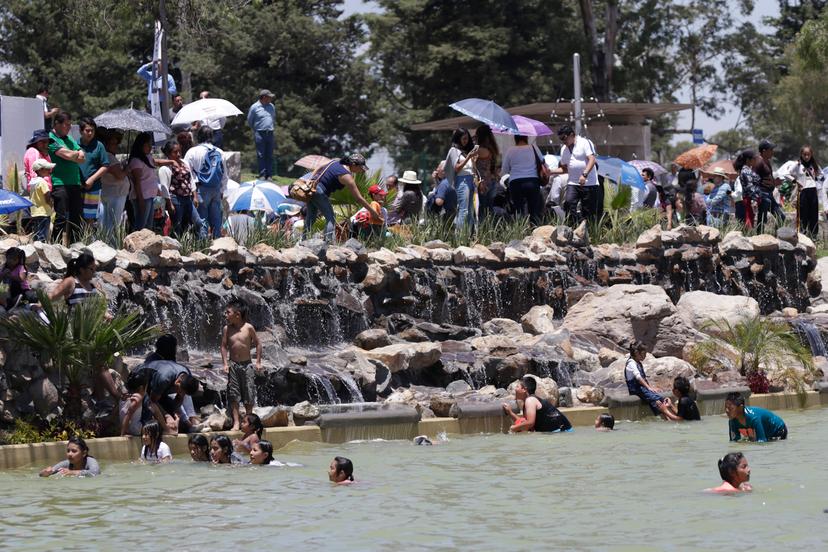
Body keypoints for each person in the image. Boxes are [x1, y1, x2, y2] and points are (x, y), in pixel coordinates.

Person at [303, 153, 381, 242]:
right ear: (353, 165)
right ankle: (327, 243)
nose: (361, 171)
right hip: (320, 192)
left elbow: (319, 166)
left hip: (312, 189)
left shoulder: (335, 161)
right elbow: (359, 198)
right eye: (360, 168)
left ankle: (303, 239)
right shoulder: (347, 176)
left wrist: (311, 179)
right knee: (331, 218)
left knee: (311, 216)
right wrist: (372, 211)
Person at [221, 300, 262, 431]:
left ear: (237, 314)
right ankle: (237, 422)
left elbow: (258, 343)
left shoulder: (248, 328)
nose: (225, 314)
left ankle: (249, 422)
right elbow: (223, 346)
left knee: (248, 393)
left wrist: (258, 362)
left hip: (247, 365)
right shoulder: (227, 329)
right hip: (233, 365)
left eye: (228, 312)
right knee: (234, 394)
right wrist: (225, 363)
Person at [49, 111, 86, 242]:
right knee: (61, 218)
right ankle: (56, 247)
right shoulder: (51, 138)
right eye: (66, 125)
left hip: (74, 182)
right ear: (57, 124)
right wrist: (75, 154)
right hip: (60, 183)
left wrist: (75, 154)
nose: (69, 127)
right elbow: (70, 155)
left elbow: (82, 157)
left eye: (70, 125)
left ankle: (76, 246)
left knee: (77, 217)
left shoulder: (68, 138)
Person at [184, 126, 227, 239]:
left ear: (198, 137)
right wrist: (222, 190)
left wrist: (193, 193)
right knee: (216, 220)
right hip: (216, 189)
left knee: (202, 219)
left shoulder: (192, 152)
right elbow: (224, 174)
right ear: (211, 137)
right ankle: (217, 244)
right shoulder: (220, 152)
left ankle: (203, 246)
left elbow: (188, 174)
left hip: (200, 190)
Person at [135, 359, 200, 431]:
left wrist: (175, 412)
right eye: (180, 391)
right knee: (151, 412)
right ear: (178, 381)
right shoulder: (164, 378)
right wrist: (167, 416)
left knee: (172, 415)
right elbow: (153, 401)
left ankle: (187, 425)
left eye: (183, 393)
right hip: (139, 383)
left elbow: (177, 402)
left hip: (159, 390)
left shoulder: (187, 375)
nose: (181, 394)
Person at [552, 125, 598, 225]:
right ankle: (574, 226)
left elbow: (592, 159)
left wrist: (584, 174)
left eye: (564, 138)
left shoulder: (584, 142)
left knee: (588, 210)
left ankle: (588, 231)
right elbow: (565, 168)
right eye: (560, 139)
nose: (563, 141)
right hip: (573, 182)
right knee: (568, 203)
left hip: (588, 182)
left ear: (572, 135)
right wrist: (551, 171)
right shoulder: (564, 149)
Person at [501, 135, 548, 225]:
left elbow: (505, 170)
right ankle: (534, 231)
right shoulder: (534, 148)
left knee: (519, 211)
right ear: (526, 138)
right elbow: (543, 163)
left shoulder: (510, 150)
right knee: (534, 211)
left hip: (516, 183)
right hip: (532, 182)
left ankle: (520, 233)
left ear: (515, 138)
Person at [501, 376, 572, 433]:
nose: (515, 389)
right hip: (559, 431)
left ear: (524, 390)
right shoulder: (529, 401)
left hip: (562, 432)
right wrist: (510, 413)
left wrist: (513, 428)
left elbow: (530, 423)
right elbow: (526, 423)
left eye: (517, 387)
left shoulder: (530, 400)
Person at [624, 340, 673, 418]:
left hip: (641, 389)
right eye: (644, 354)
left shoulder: (638, 362)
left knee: (658, 399)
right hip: (636, 390)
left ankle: (666, 417)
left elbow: (643, 378)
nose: (645, 356)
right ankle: (669, 417)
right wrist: (649, 388)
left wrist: (651, 388)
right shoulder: (631, 363)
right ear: (636, 353)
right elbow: (638, 377)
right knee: (658, 400)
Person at [443, 128, 479, 231]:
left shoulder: (466, 151)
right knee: (463, 210)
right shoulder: (454, 150)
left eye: (467, 139)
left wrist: (473, 160)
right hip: (462, 180)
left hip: (471, 179)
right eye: (463, 139)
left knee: (470, 210)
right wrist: (468, 157)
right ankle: (460, 236)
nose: (465, 141)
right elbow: (457, 168)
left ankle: (468, 234)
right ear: (458, 138)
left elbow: (472, 168)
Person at [77, 117, 110, 225]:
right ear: (81, 131)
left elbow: (105, 165)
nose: (90, 133)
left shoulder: (99, 146)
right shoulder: (74, 144)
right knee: (77, 216)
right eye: (87, 130)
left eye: (92, 130)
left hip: (93, 188)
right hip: (77, 187)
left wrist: (92, 179)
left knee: (90, 218)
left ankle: (88, 240)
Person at [159, 140, 196, 236]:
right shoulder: (165, 168)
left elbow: (191, 179)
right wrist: (169, 203)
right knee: (177, 226)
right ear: (168, 154)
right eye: (175, 152)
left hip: (188, 198)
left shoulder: (184, 162)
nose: (178, 154)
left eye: (179, 151)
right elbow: (164, 188)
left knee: (196, 222)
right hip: (176, 199)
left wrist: (195, 196)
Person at [786, 146, 825, 237]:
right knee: (803, 215)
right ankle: (802, 235)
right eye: (804, 154)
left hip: (813, 191)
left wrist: (817, 181)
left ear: (811, 155)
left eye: (808, 154)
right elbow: (787, 174)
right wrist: (795, 181)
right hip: (803, 192)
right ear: (801, 154)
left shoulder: (814, 165)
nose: (806, 157)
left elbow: (822, 175)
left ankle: (813, 236)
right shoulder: (797, 165)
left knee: (813, 215)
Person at [98, 132, 131, 239]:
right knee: (113, 222)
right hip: (115, 194)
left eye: (116, 143)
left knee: (107, 222)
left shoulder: (107, 156)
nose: (116, 146)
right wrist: (127, 168)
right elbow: (120, 175)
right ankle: (111, 245)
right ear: (107, 144)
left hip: (111, 193)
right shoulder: (109, 156)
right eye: (113, 143)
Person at [129, 133, 160, 231]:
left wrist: (171, 162)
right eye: (148, 144)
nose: (150, 147)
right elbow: (137, 182)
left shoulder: (147, 158)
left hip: (149, 196)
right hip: (142, 197)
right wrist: (140, 199)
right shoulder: (136, 161)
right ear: (141, 145)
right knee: (141, 225)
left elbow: (157, 162)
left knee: (149, 226)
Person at [754, 139, 784, 232]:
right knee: (762, 219)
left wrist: (775, 183)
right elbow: (753, 179)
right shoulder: (758, 162)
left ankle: (777, 236)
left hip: (769, 194)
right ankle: (759, 240)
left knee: (781, 216)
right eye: (771, 149)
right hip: (762, 194)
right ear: (764, 151)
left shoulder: (767, 161)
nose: (772, 152)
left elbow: (767, 179)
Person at [247, 89, 276, 179]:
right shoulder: (254, 107)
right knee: (261, 155)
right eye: (269, 97)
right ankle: (262, 174)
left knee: (270, 155)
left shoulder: (271, 106)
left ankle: (269, 175)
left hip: (270, 133)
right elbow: (250, 121)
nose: (271, 99)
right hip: (259, 133)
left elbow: (273, 118)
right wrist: (256, 129)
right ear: (264, 97)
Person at [474, 124, 500, 218]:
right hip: (492, 181)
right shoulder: (491, 148)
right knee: (489, 208)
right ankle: (491, 229)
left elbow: (468, 155)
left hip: (483, 183)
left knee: (482, 209)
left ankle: (483, 230)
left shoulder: (480, 150)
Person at [28, 159, 55, 242]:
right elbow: (47, 196)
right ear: (40, 170)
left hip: (35, 211)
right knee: (43, 234)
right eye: (47, 169)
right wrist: (51, 204)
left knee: (37, 232)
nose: (49, 171)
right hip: (43, 212)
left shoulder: (33, 182)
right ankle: (41, 250)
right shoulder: (42, 182)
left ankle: (36, 248)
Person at [734, 149, 761, 228]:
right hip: (748, 199)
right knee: (748, 219)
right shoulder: (746, 171)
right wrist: (755, 199)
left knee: (749, 218)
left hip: (749, 198)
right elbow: (750, 187)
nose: (755, 160)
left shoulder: (747, 170)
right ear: (748, 160)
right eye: (754, 159)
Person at [120, 369, 148, 436]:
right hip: (135, 429)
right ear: (141, 388)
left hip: (127, 427)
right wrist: (122, 434)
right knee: (153, 409)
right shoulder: (137, 398)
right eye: (147, 386)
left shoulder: (124, 396)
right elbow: (128, 414)